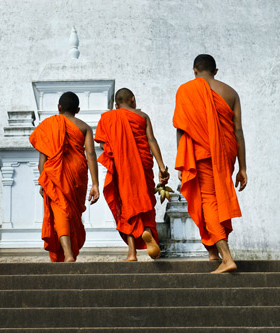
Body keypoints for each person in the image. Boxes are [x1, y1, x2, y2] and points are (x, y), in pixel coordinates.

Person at [173, 54, 247, 273]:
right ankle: (212, 252)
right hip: (226, 153)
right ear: (216, 71)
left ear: (194, 70)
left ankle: (226, 256)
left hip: (201, 153)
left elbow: (181, 127)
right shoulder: (231, 92)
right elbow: (238, 130)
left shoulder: (186, 90)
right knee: (218, 200)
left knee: (208, 202)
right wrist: (243, 167)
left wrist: (182, 160)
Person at [95, 88, 169, 261]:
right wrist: (161, 167)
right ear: (133, 99)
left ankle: (131, 253)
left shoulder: (108, 118)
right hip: (143, 166)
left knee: (126, 206)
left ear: (116, 104)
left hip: (122, 168)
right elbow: (151, 140)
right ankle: (147, 231)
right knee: (145, 202)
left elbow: (104, 146)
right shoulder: (142, 116)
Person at [29, 92, 100, 262]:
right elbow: (91, 154)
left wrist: (44, 181)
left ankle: (68, 254)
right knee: (72, 213)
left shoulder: (48, 125)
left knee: (61, 210)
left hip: (55, 174)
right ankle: (70, 253)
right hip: (78, 173)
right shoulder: (84, 127)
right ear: (78, 109)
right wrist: (95, 184)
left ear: (59, 108)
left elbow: (43, 160)